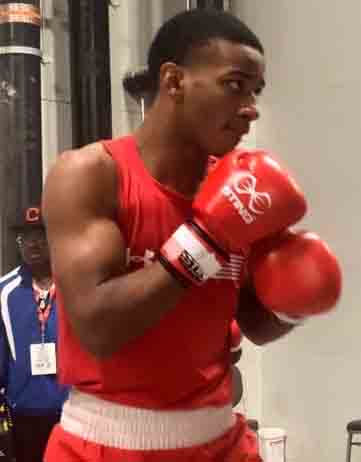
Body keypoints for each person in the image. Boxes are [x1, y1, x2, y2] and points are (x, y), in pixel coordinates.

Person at [41, 9, 341, 462]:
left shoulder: (241, 189)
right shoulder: (91, 174)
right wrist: (208, 238)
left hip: (221, 441)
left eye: (256, 91)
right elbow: (97, 327)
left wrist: (295, 300)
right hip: (108, 445)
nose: (251, 107)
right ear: (174, 81)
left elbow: (254, 323)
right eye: (235, 84)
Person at [0, 205, 68, 462]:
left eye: (41, 236)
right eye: (25, 238)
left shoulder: (75, 285)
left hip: (74, 411)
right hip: (24, 413)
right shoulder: (4, 292)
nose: (33, 244)